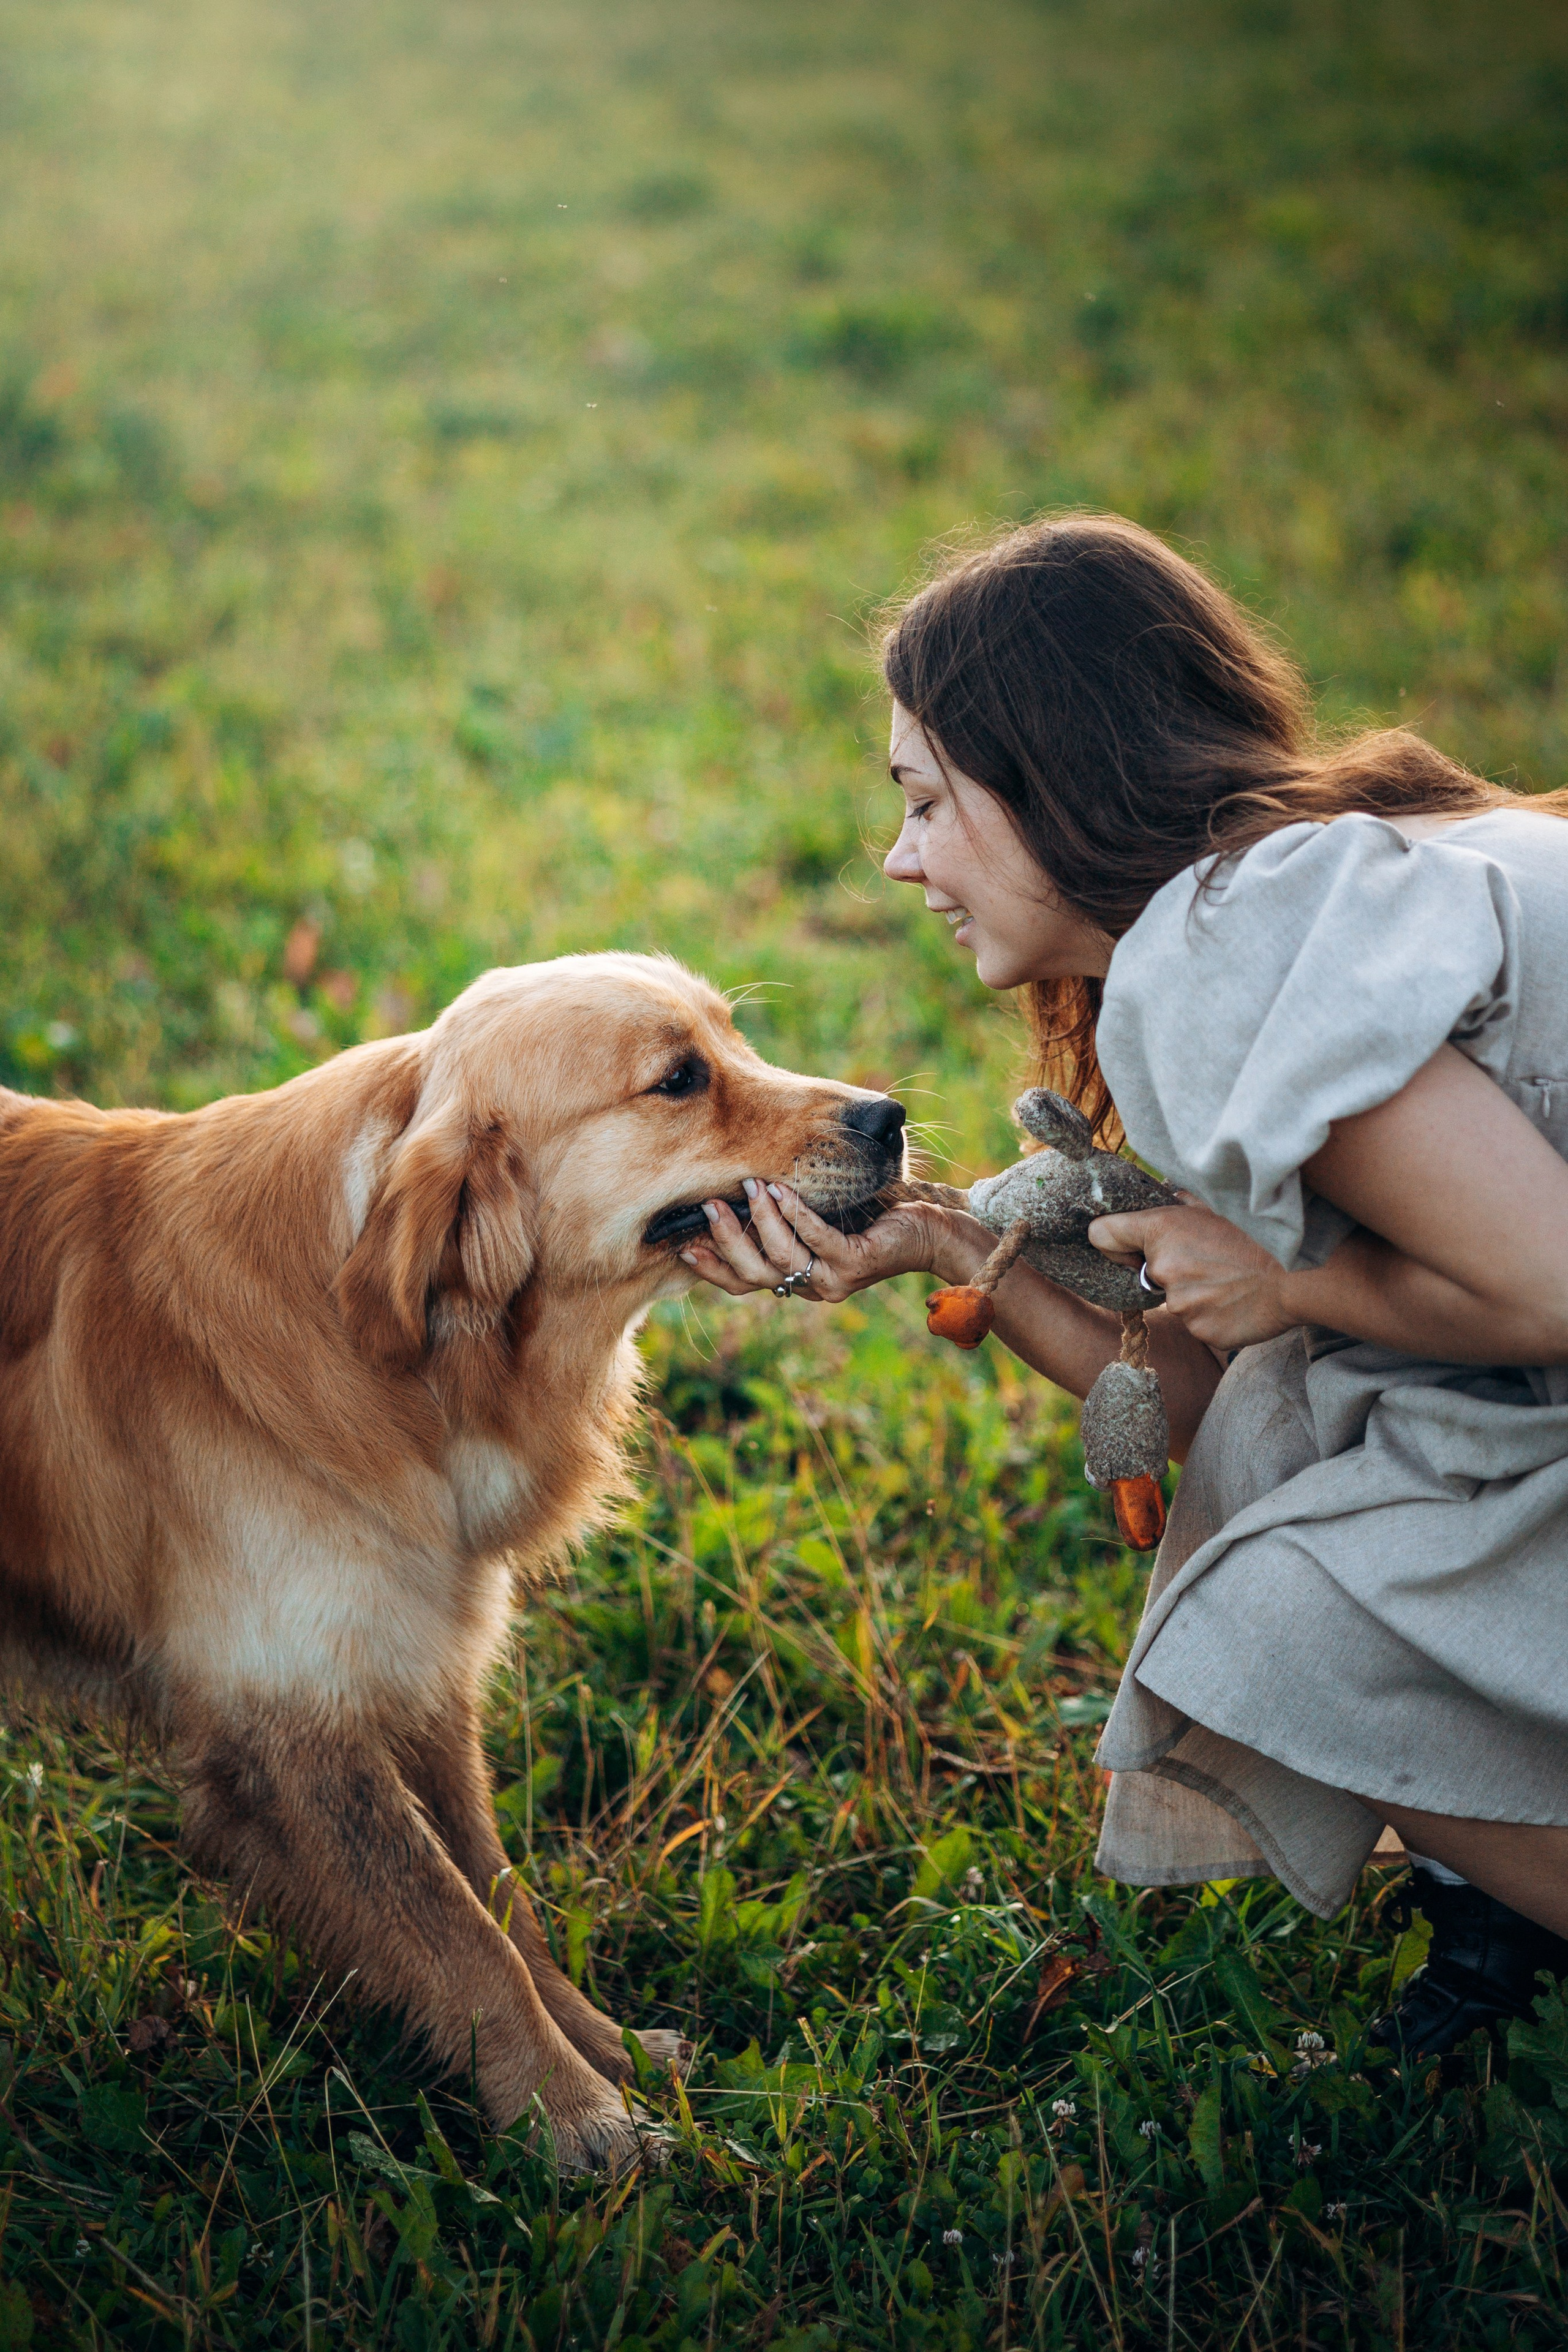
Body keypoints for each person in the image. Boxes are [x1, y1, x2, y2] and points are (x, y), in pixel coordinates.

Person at [681, 513, 1568, 2056]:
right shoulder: (1297, 876)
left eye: (925, 800)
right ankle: (1492, 1873)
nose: (897, 858)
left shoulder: (1216, 954)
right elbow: (1204, 1393)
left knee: (1270, 1623)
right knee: (1313, 1425)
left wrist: (1297, 1293)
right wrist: (948, 1246)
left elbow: (1548, 1288)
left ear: (1052, 779)